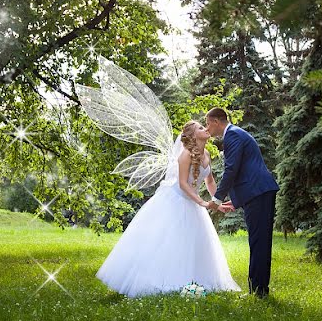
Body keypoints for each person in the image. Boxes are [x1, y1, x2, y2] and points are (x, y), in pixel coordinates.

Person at [95, 120, 241, 297]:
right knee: (169, 241)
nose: (206, 128)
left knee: (193, 242)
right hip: (177, 200)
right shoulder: (185, 155)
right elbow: (181, 184)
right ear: (193, 136)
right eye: (201, 128)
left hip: (192, 201)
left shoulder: (207, 154)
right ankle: (160, 281)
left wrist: (217, 201)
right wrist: (202, 203)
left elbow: (209, 181)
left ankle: (194, 281)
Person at [204, 107, 279, 298]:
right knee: (258, 241)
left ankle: (259, 291)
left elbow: (232, 170)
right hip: (256, 192)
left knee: (259, 242)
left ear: (216, 121)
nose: (207, 128)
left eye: (207, 123)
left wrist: (217, 199)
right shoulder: (235, 134)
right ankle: (258, 290)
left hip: (259, 192)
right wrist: (235, 202)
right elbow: (244, 172)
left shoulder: (233, 136)